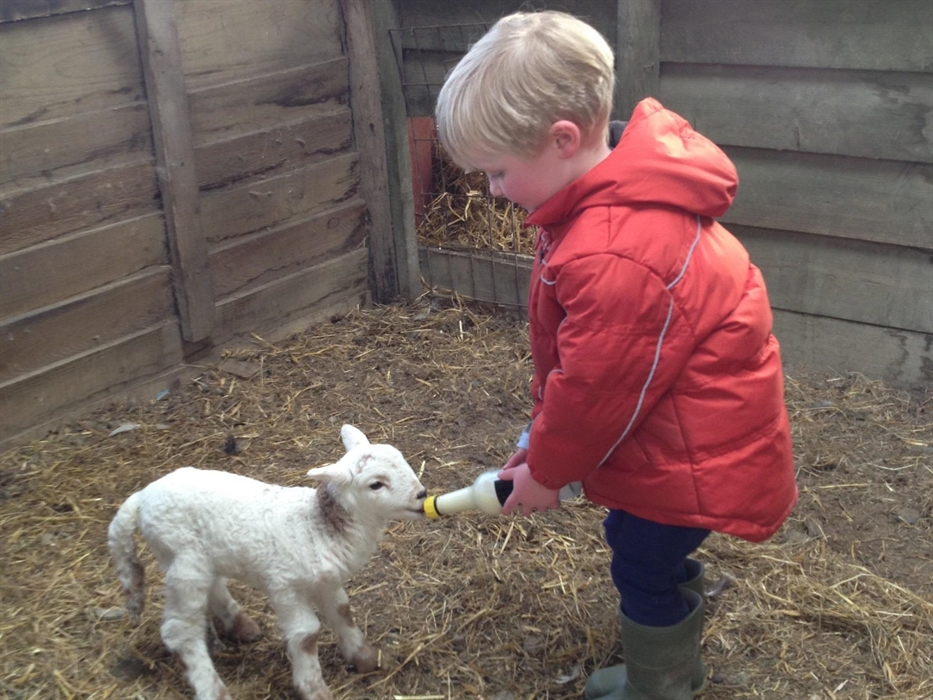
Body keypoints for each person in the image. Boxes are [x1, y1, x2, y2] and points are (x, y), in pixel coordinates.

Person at [434, 10, 798, 700]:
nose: (491, 192)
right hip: (682, 429)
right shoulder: (608, 203)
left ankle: (661, 681)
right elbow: (589, 370)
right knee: (641, 539)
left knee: (637, 559)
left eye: (498, 171)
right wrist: (538, 445)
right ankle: (673, 622)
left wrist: (546, 471)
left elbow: (597, 393)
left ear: (562, 139)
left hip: (689, 450)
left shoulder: (612, 249)